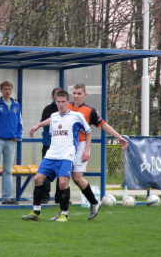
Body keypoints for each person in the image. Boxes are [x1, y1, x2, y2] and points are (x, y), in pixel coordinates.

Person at [52, 83, 128, 220]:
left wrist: (120, 138)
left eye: (79, 93)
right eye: (74, 93)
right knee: (64, 179)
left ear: (85, 95)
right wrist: (38, 125)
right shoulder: (66, 106)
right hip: (66, 147)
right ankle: (64, 213)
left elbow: (103, 125)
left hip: (81, 145)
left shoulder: (89, 110)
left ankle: (93, 202)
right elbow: (53, 118)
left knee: (76, 178)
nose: (76, 96)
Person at [23, 90, 91, 222]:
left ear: (68, 102)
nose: (60, 104)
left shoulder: (77, 116)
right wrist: (37, 125)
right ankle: (36, 212)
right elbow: (51, 119)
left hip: (67, 155)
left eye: (63, 102)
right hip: (51, 155)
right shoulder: (54, 116)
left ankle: (64, 214)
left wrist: (86, 150)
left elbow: (88, 132)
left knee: (63, 182)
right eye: (58, 102)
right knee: (38, 178)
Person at [39, 87, 62, 204]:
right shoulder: (48, 109)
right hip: (49, 145)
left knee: (62, 172)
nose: (59, 97)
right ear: (53, 97)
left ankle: (60, 197)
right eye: (57, 95)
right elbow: (46, 122)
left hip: (62, 146)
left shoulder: (68, 111)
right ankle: (44, 196)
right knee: (46, 170)